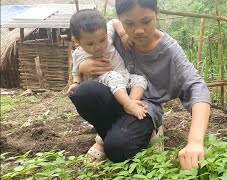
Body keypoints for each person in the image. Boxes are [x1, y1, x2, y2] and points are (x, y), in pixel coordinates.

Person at [69, 0, 211, 170]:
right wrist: (83, 65)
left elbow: (196, 86)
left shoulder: (169, 50)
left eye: (146, 21)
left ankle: (146, 132)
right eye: (129, 23)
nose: (138, 31)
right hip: (116, 98)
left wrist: (195, 141)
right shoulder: (111, 36)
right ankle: (105, 136)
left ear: (157, 13)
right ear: (120, 20)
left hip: (145, 108)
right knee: (84, 93)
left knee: (117, 149)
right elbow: (84, 46)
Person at [67, 9, 148, 120]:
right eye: (90, 44)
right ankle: (127, 104)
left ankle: (132, 102)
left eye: (102, 40)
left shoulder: (106, 34)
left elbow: (114, 21)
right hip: (103, 81)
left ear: (105, 32)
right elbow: (76, 71)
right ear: (76, 41)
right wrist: (76, 83)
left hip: (124, 75)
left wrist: (123, 33)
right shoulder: (79, 53)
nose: (98, 46)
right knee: (113, 76)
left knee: (141, 79)